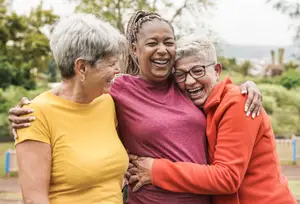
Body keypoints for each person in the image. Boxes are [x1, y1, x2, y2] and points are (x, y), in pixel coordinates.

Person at [9, 11, 263, 204]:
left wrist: (247, 87)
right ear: (134, 49)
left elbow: (214, 87)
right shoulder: (117, 90)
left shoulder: (184, 84)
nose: (162, 50)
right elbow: (71, 95)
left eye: (168, 42)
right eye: (152, 43)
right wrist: (24, 112)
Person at [127, 35, 297, 204]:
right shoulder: (198, 108)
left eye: (198, 71)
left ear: (216, 71)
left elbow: (227, 177)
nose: (190, 81)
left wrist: (156, 171)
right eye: (181, 74)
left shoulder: (238, 102)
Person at [14, 14, 129, 204]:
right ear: (82, 67)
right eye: (111, 63)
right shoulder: (34, 116)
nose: (117, 70)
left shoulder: (108, 102)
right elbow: (35, 199)